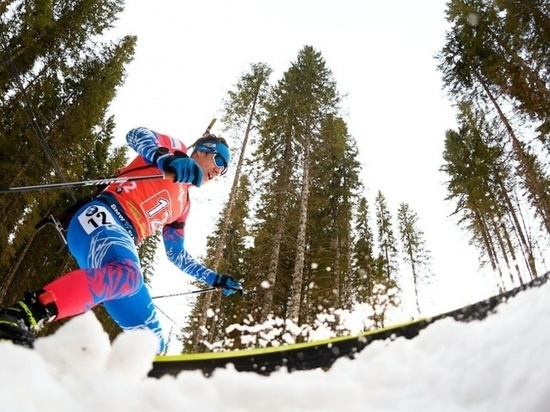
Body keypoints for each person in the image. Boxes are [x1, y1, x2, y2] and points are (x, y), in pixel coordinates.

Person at [0, 126, 243, 352]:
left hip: (122, 244)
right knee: (129, 274)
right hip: (102, 214)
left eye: (225, 170)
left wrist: (216, 278)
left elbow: (176, 254)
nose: (219, 171)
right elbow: (136, 134)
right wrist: (164, 158)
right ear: (201, 151)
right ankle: (22, 315)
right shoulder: (175, 149)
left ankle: (122, 385)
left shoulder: (184, 206)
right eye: (219, 160)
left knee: (151, 342)